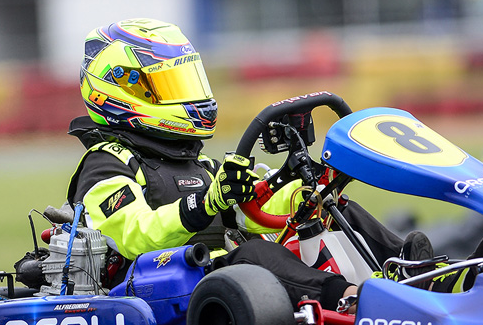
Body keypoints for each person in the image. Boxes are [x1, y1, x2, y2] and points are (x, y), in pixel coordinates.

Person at [65, 18, 430, 310]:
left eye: (185, 82)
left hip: (222, 281)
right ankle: (350, 298)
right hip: (160, 288)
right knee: (256, 254)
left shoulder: (199, 162)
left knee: (334, 208)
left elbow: (254, 210)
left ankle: (416, 272)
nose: (187, 95)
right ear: (122, 89)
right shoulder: (106, 164)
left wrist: (306, 189)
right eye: (169, 85)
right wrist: (204, 203)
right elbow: (133, 234)